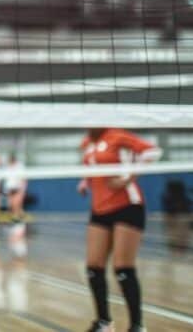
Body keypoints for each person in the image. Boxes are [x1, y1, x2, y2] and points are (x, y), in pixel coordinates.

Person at [80, 128, 161, 332]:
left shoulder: (116, 135)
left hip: (127, 205)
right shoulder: (86, 143)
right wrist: (85, 181)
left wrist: (128, 178)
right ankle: (104, 322)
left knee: (123, 268)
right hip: (99, 208)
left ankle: (137, 325)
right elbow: (93, 167)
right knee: (93, 267)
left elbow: (152, 152)